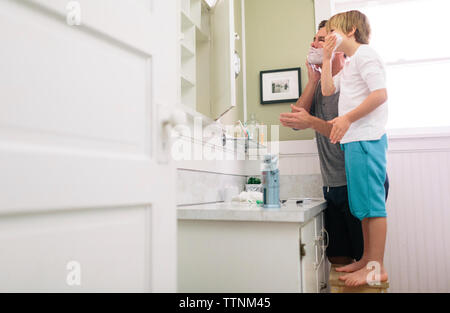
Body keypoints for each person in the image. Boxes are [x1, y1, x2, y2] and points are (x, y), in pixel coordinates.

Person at [279, 20, 389, 274]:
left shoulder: (352, 82)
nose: (312, 43)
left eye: (320, 39)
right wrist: (313, 80)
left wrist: (312, 122)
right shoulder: (326, 84)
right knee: (337, 257)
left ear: (338, 44)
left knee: (366, 257)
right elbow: (298, 122)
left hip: (355, 177)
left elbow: (344, 131)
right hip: (331, 186)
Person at [320, 10, 389, 286]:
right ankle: (366, 259)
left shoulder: (365, 55)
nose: (329, 36)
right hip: (353, 142)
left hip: (367, 140)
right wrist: (326, 59)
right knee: (362, 207)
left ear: (350, 31)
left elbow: (380, 94)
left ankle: (377, 267)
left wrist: (347, 118)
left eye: (334, 30)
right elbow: (326, 90)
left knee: (374, 207)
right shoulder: (349, 64)